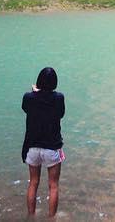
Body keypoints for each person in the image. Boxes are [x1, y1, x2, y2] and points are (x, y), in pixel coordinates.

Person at [22, 66, 65, 217]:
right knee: (53, 185)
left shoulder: (29, 97)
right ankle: (51, 219)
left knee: (33, 183)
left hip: (33, 147)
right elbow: (60, 114)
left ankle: (31, 216)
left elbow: (26, 108)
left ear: (39, 81)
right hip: (52, 148)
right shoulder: (59, 98)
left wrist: (36, 93)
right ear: (55, 83)